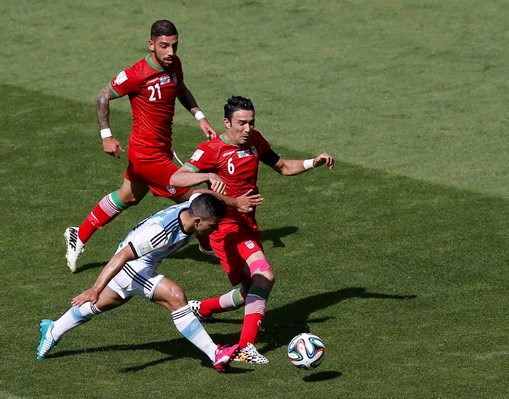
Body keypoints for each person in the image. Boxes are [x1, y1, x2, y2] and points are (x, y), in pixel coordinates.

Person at [169, 96, 334, 364]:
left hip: (247, 225)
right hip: (225, 229)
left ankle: (202, 308)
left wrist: (311, 162)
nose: (248, 128)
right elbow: (177, 178)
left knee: (252, 290)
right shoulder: (212, 149)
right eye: (241, 123)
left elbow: (282, 166)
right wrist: (208, 176)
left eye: (251, 122)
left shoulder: (255, 140)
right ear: (227, 123)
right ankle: (246, 346)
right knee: (264, 276)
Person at [38, 192, 262, 372]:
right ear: (197, 221)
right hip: (131, 267)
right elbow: (123, 256)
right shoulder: (161, 232)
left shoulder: (196, 205)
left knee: (102, 305)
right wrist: (96, 288)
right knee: (175, 296)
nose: (215, 229)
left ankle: (54, 330)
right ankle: (215, 354)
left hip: (143, 264)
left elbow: (202, 193)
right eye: (212, 225)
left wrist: (232, 201)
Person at [64, 20, 217, 273]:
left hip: (161, 150)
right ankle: (206, 243)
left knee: (128, 196)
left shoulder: (174, 64)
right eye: (164, 46)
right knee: (196, 195)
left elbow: (181, 90)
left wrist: (200, 118)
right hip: (147, 157)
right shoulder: (136, 74)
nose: (170, 52)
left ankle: (78, 235)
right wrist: (106, 136)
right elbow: (102, 96)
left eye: (174, 45)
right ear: (151, 45)